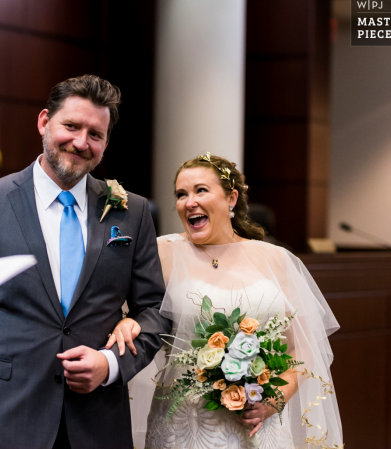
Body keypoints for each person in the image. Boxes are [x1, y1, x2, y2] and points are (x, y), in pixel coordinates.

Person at [0, 75, 171, 449]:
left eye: (95, 134)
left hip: (98, 423)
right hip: (7, 418)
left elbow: (156, 311)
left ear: (105, 143)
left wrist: (110, 365)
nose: (81, 142)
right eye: (71, 126)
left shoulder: (132, 211)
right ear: (44, 121)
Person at [108, 154, 343, 449]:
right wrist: (128, 320)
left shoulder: (276, 259)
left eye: (200, 191)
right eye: (181, 194)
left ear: (231, 199)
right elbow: (139, 312)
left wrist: (274, 400)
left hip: (261, 425)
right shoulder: (162, 253)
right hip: (184, 428)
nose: (188, 202)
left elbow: (305, 347)